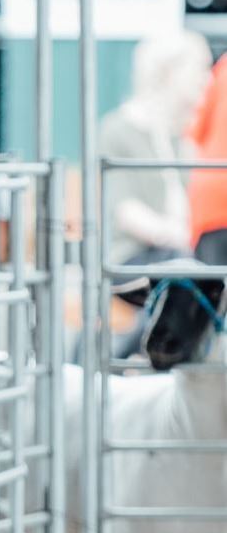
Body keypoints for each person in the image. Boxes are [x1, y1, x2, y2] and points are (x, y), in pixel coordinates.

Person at [98, 31, 211, 353]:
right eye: (198, 68)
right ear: (169, 72)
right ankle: (129, 353)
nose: (206, 79)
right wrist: (184, 238)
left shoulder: (185, 134)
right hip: (133, 260)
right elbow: (127, 212)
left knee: (195, 267)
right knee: (186, 268)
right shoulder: (119, 129)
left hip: (180, 255)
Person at [186, 43, 227, 265]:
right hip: (216, 200)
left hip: (212, 201)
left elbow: (195, 132)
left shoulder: (223, 67)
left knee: (213, 292)